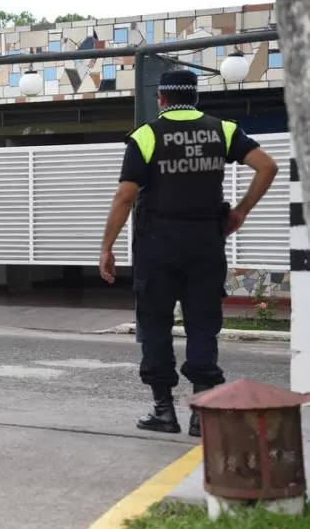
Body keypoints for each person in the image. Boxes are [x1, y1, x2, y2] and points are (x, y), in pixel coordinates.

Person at [99, 69, 278, 437]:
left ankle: (164, 411)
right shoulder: (223, 130)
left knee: (155, 324)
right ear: (195, 98)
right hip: (205, 243)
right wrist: (241, 210)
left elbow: (125, 196)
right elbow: (267, 166)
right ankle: (202, 414)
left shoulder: (146, 136)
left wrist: (107, 247)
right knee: (202, 325)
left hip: (156, 244)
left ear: (161, 99)